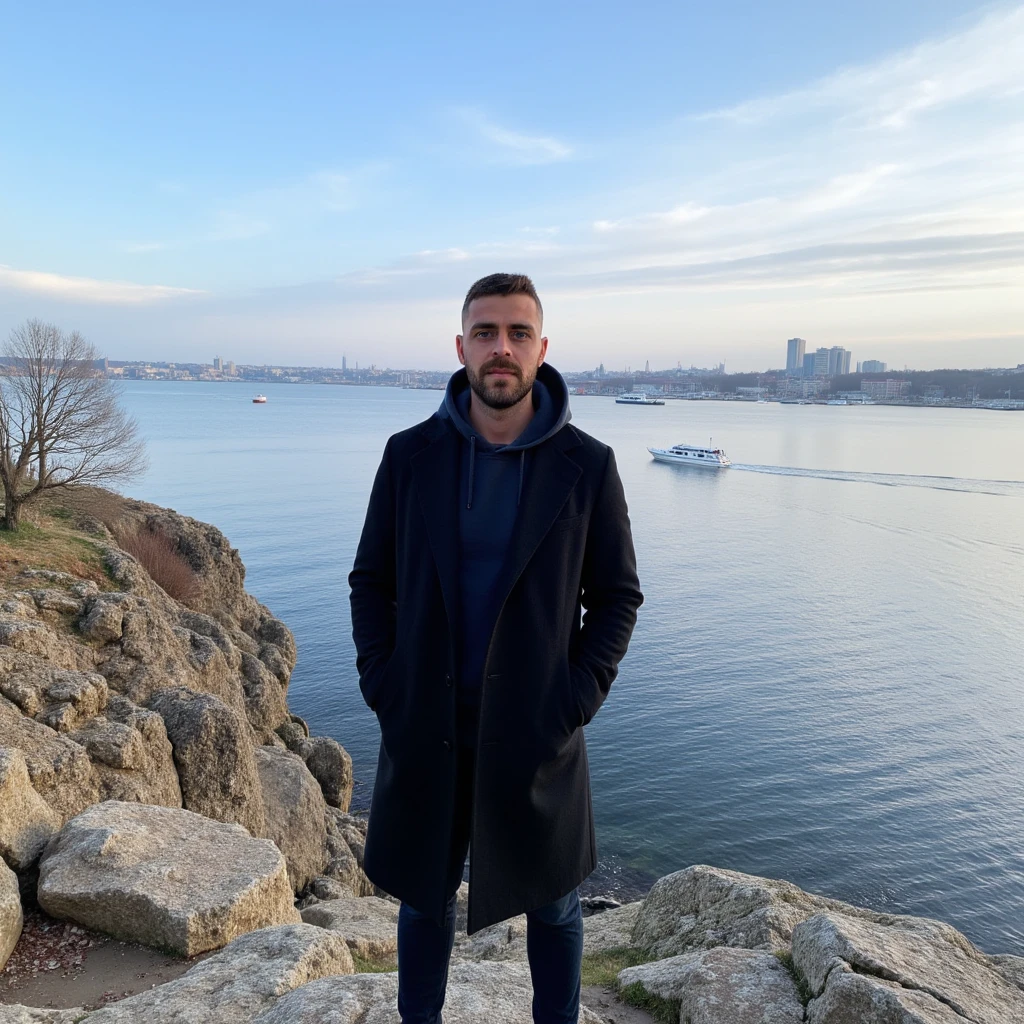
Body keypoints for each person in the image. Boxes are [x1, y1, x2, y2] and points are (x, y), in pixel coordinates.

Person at [349, 272, 643, 1023]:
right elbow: (370, 579)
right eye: (486, 333)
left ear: (542, 350)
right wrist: (385, 684)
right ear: (461, 347)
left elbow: (616, 598)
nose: (501, 349)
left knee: (553, 907)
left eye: (517, 333)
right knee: (423, 902)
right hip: (426, 721)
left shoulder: (588, 466)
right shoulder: (409, 456)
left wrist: (574, 700)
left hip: (538, 728)